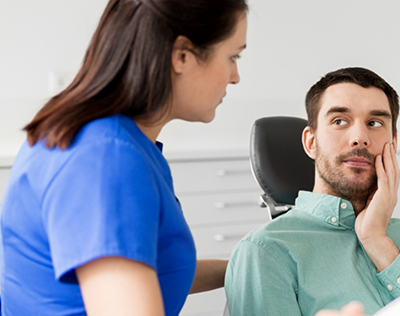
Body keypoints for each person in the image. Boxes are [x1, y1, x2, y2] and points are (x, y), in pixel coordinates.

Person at [0, 0, 248, 315]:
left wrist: (247, 265)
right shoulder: (105, 159)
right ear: (182, 55)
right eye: (233, 56)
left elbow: (154, 270)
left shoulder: (110, 138)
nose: (235, 76)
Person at [225, 67, 400, 316]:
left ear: (393, 144)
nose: (359, 137)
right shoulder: (266, 252)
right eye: (340, 121)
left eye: (375, 123)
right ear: (311, 143)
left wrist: (377, 241)